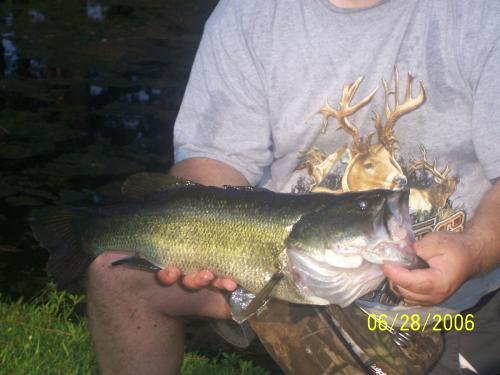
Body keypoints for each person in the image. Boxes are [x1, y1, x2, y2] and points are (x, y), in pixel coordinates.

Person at [86, 0, 500, 374]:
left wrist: (477, 248)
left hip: (455, 301)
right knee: (115, 274)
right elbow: (217, 156)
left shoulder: (481, 14)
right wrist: (205, 246)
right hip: (278, 276)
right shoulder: (246, 15)